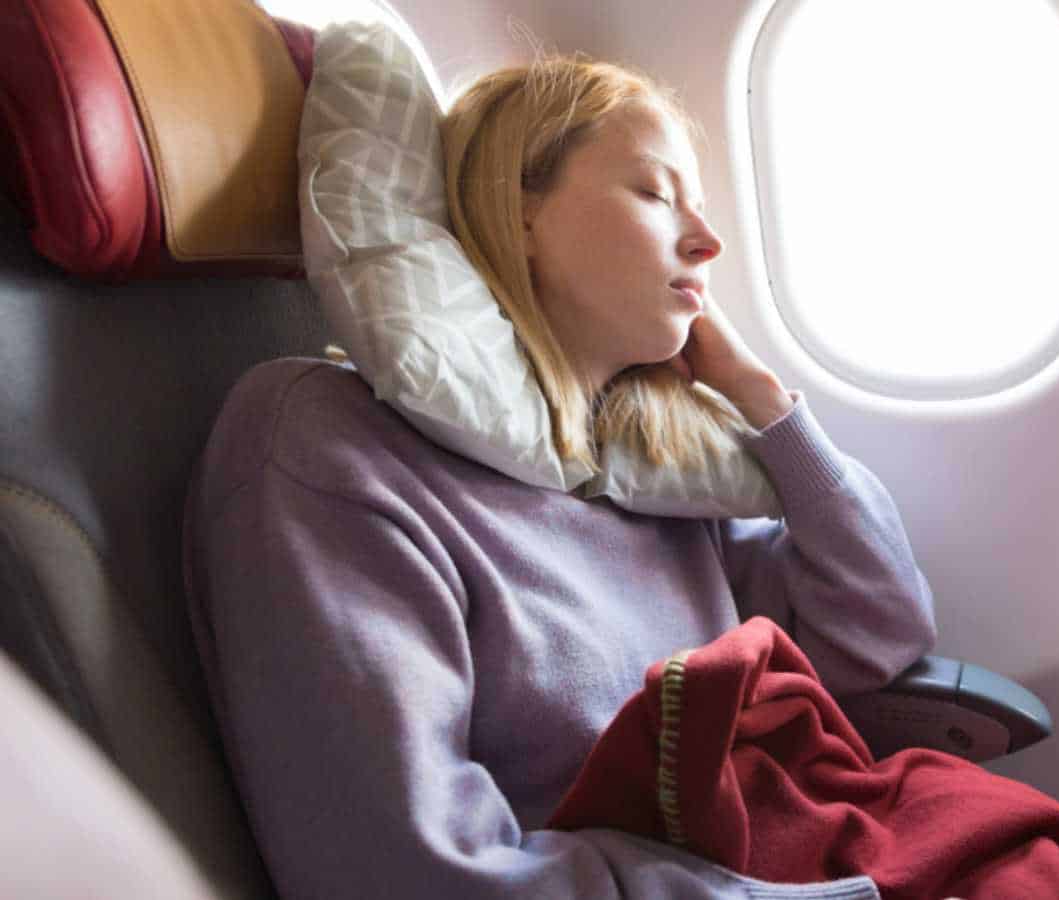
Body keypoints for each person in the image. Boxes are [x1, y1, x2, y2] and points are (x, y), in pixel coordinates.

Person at [184, 49, 936, 900]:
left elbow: (878, 632)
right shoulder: (328, 451)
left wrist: (765, 406)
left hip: (804, 852)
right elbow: (413, 871)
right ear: (522, 211)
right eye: (654, 194)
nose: (708, 240)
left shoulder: (652, 474)